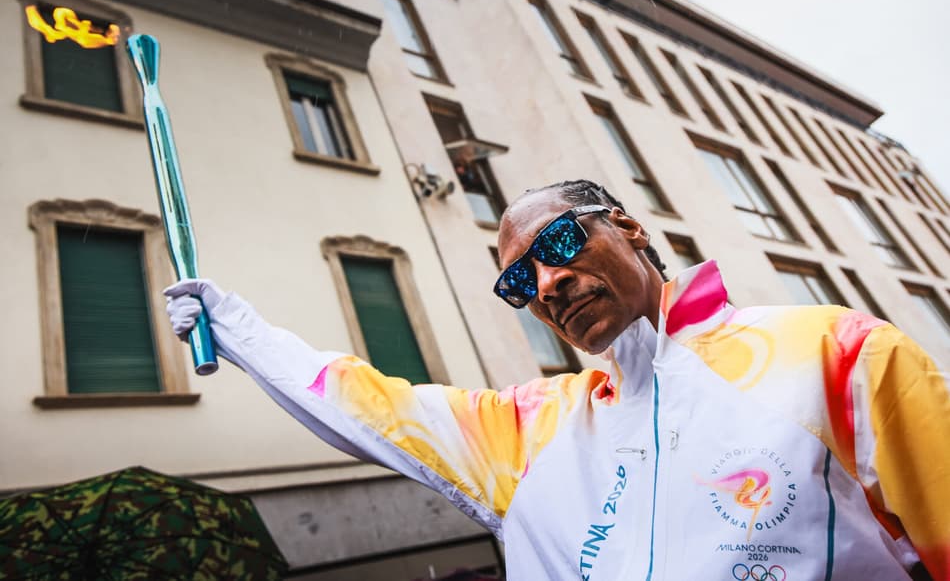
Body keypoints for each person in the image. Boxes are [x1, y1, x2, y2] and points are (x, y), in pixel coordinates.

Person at [166, 179, 949, 580]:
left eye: (562, 243)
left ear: (630, 230)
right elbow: (373, 404)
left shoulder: (834, 349)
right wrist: (236, 330)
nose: (545, 283)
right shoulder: (534, 429)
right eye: (518, 283)